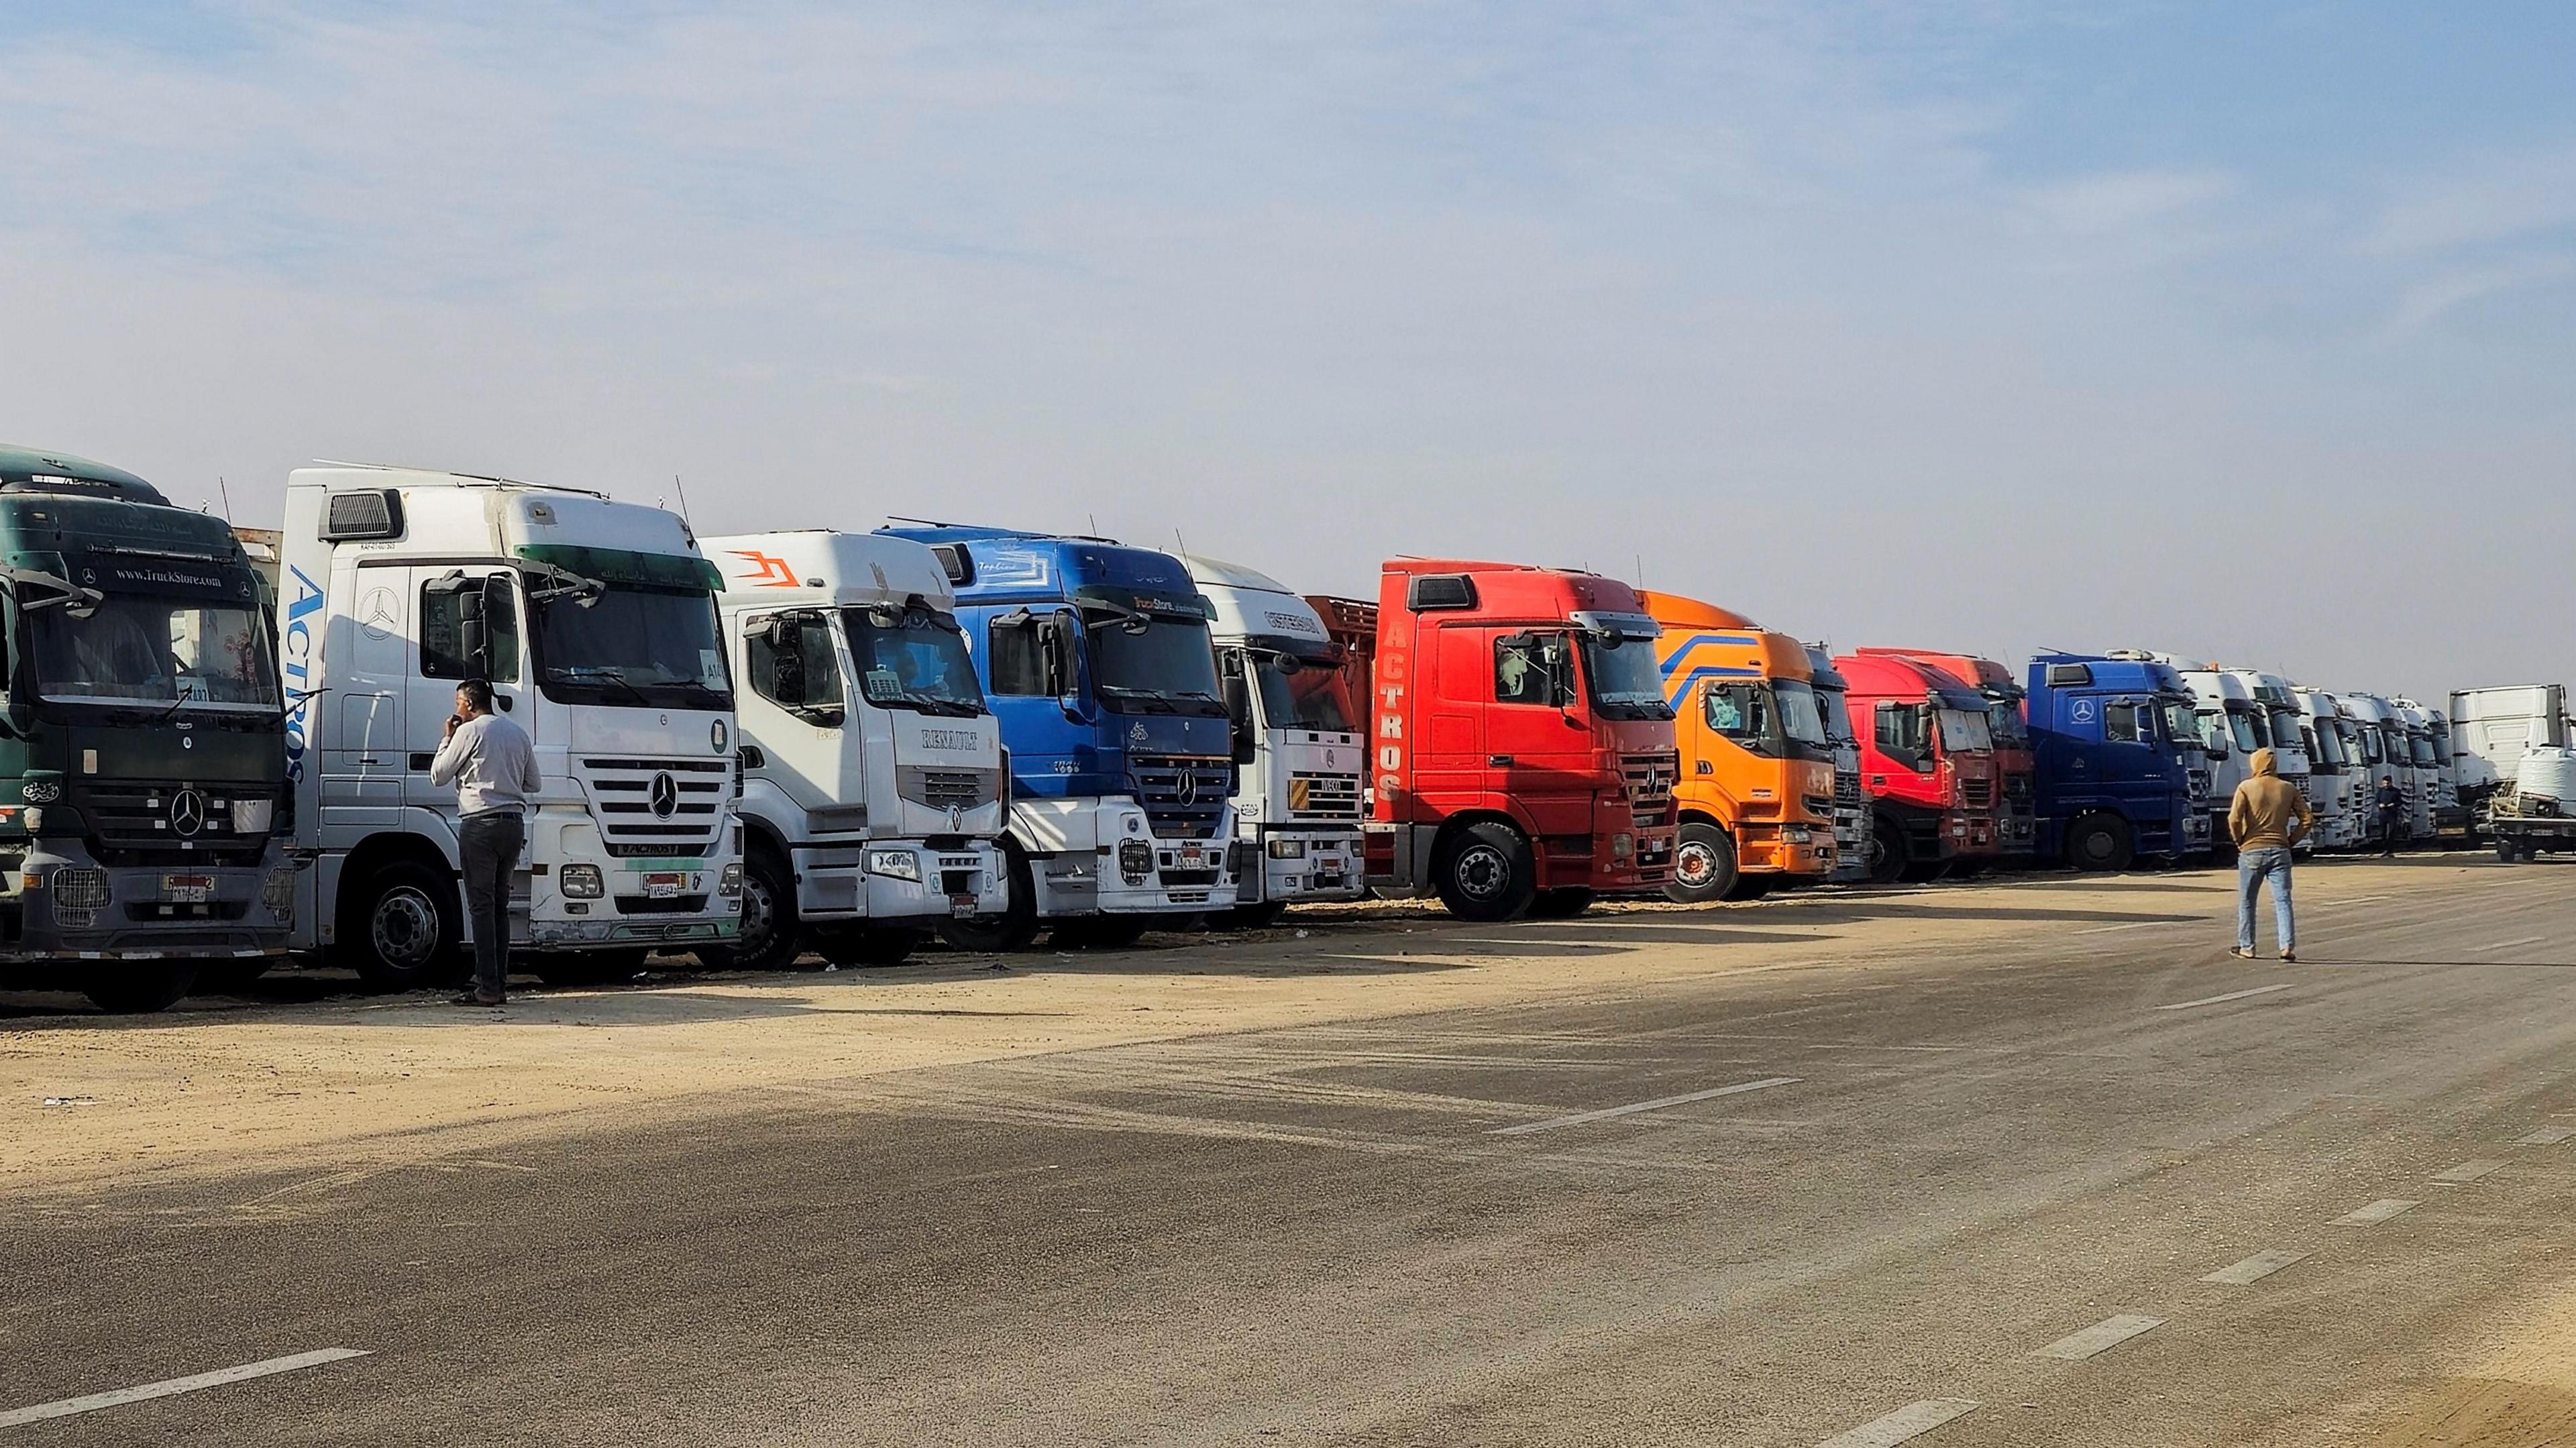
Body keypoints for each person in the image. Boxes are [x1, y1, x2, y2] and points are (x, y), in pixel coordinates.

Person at [430, 679, 541, 1006]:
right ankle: (499, 982)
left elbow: (438, 775)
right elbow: (533, 782)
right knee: (499, 907)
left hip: (480, 823)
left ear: (468, 704)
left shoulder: (470, 731)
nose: (455, 709)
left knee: (481, 906)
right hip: (513, 824)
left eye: (458, 702)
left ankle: (488, 988)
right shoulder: (517, 733)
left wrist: (447, 738)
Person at [2228, 746, 2315, 962]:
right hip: (2280, 849)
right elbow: (2308, 819)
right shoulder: (2288, 788)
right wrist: (2291, 840)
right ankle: (2286, 948)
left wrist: (2240, 840)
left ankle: (2248, 947)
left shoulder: (2246, 787)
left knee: (2248, 900)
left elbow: (2235, 819)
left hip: (2252, 850)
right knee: (2283, 900)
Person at [2373, 775, 2405, 857]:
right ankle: (2384, 849)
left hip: (2392, 814)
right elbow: (2376, 801)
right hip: (2383, 814)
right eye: (2384, 783)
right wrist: (2379, 805)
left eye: (2387, 783)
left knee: (2391, 833)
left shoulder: (2396, 791)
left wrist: (2393, 804)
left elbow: (2400, 802)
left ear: (2391, 783)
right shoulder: (2380, 791)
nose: (2386, 785)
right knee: (2382, 832)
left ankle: (2391, 851)